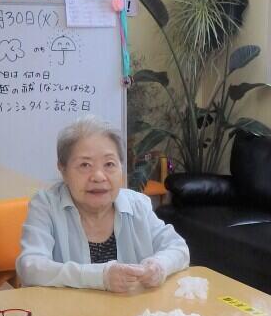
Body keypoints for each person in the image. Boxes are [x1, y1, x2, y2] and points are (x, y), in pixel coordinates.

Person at [16, 116, 189, 292]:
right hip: (67, 315)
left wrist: (159, 266)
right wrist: (101, 276)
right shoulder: (46, 206)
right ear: (63, 170)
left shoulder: (138, 205)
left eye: (109, 164)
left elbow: (178, 248)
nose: (99, 176)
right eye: (85, 165)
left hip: (130, 315)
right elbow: (30, 267)